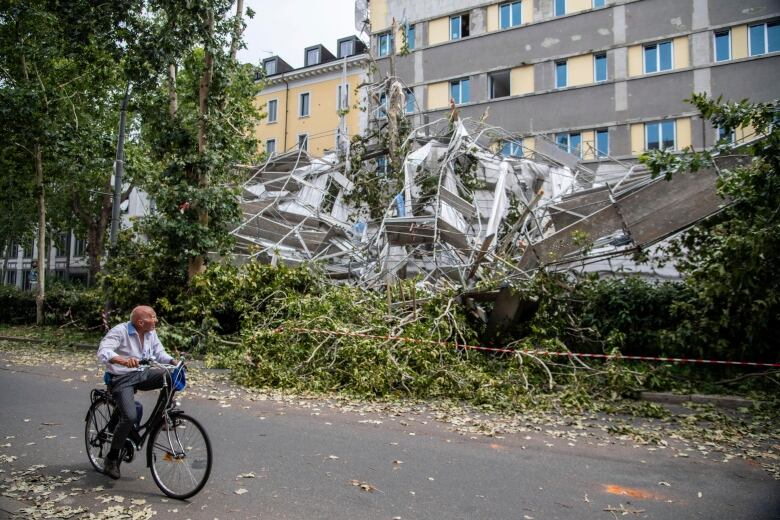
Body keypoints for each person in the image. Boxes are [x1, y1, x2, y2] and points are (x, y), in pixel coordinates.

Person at [96, 305, 174, 479]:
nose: (156, 320)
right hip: (121, 378)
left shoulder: (150, 333)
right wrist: (123, 361)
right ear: (140, 322)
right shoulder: (120, 331)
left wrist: (173, 361)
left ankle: (163, 414)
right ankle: (112, 458)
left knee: (171, 376)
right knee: (130, 416)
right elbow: (103, 351)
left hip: (141, 374)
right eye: (152, 317)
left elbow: (159, 352)